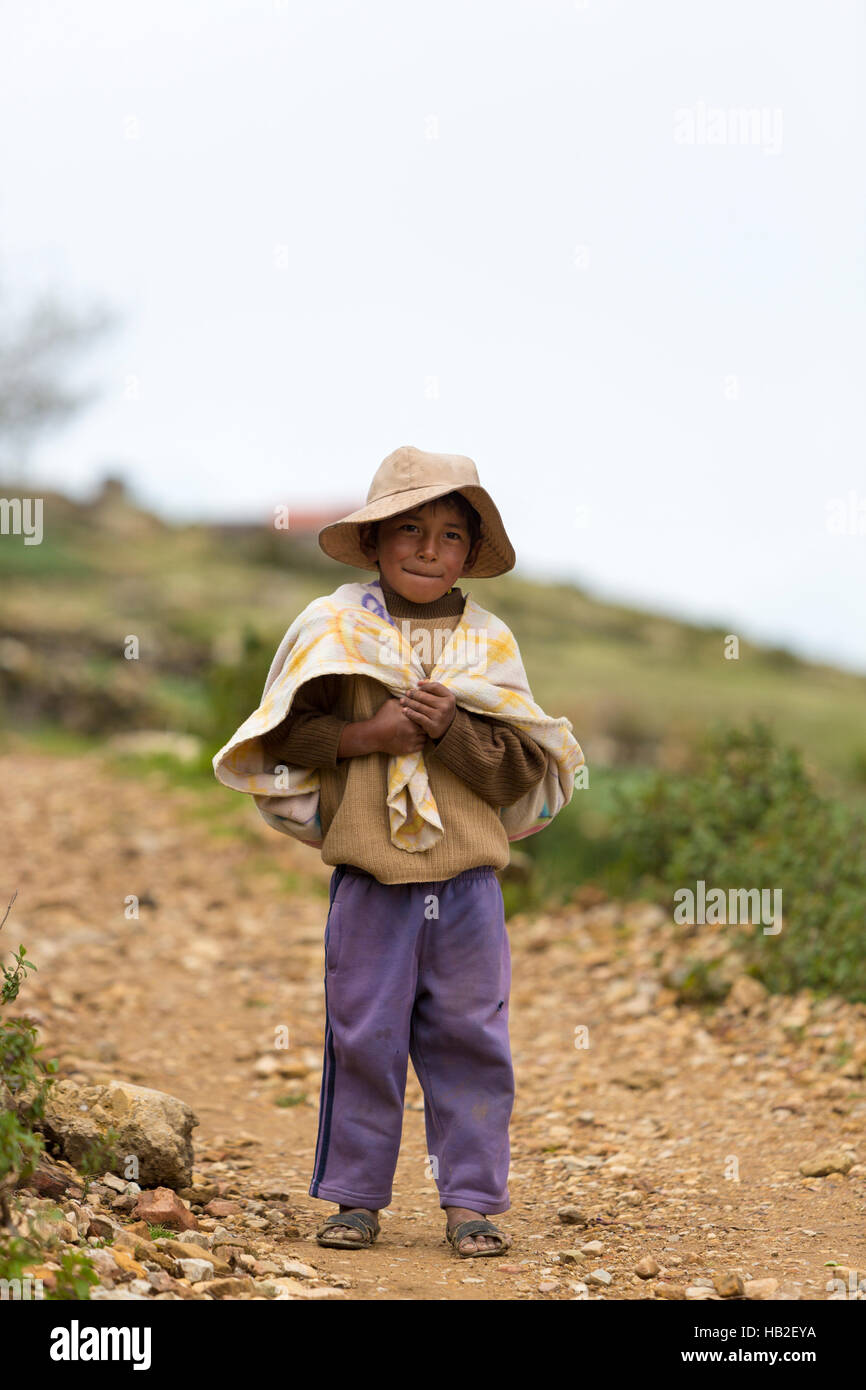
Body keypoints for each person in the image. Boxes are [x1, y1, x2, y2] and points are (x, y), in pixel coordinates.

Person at [214, 444, 583, 1258]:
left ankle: (471, 1203)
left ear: (470, 554)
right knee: (364, 1037)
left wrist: (450, 729)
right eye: (409, 528)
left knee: (471, 1041)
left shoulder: (488, 649)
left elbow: (519, 767)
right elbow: (287, 737)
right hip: (371, 882)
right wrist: (369, 733)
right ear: (375, 540)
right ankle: (355, 1200)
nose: (427, 548)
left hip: (468, 891)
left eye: (451, 534)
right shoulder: (334, 631)